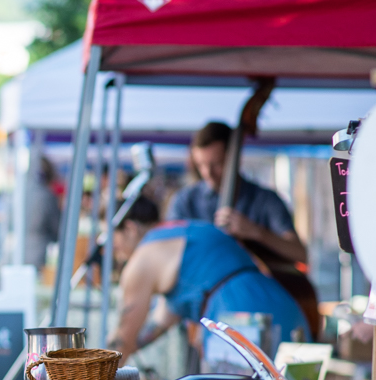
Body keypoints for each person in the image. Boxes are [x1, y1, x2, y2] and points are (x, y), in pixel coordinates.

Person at [107, 198, 306, 361]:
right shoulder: (179, 233)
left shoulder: (141, 260)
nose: (113, 251)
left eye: (113, 241)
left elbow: (123, 340)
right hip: (283, 307)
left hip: (241, 320)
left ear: (130, 229)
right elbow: (160, 321)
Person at [168, 121, 307, 265]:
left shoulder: (265, 199)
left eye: (216, 164)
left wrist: (257, 232)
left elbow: (300, 254)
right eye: (201, 165)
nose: (207, 173)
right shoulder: (185, 201)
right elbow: (168, 253)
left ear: (235, 159)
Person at [24, 157, 62, 269]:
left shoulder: (20, 194)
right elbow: (57, 227)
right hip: (38, 254)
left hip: (17, 253)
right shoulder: (47, 196)